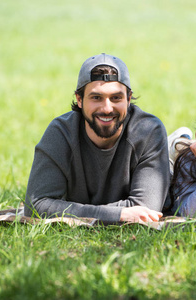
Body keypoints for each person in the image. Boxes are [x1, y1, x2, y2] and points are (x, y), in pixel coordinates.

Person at [24, 53, 169, 223]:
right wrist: (119, 214)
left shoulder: (148, 131)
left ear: (129, 99)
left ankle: (176, 144)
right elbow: (35, 206)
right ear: (79, 99)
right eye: (96, 98)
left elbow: (146, 209)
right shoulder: (60, 133)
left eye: (116, 98)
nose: (107, 108)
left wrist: (66, 208)